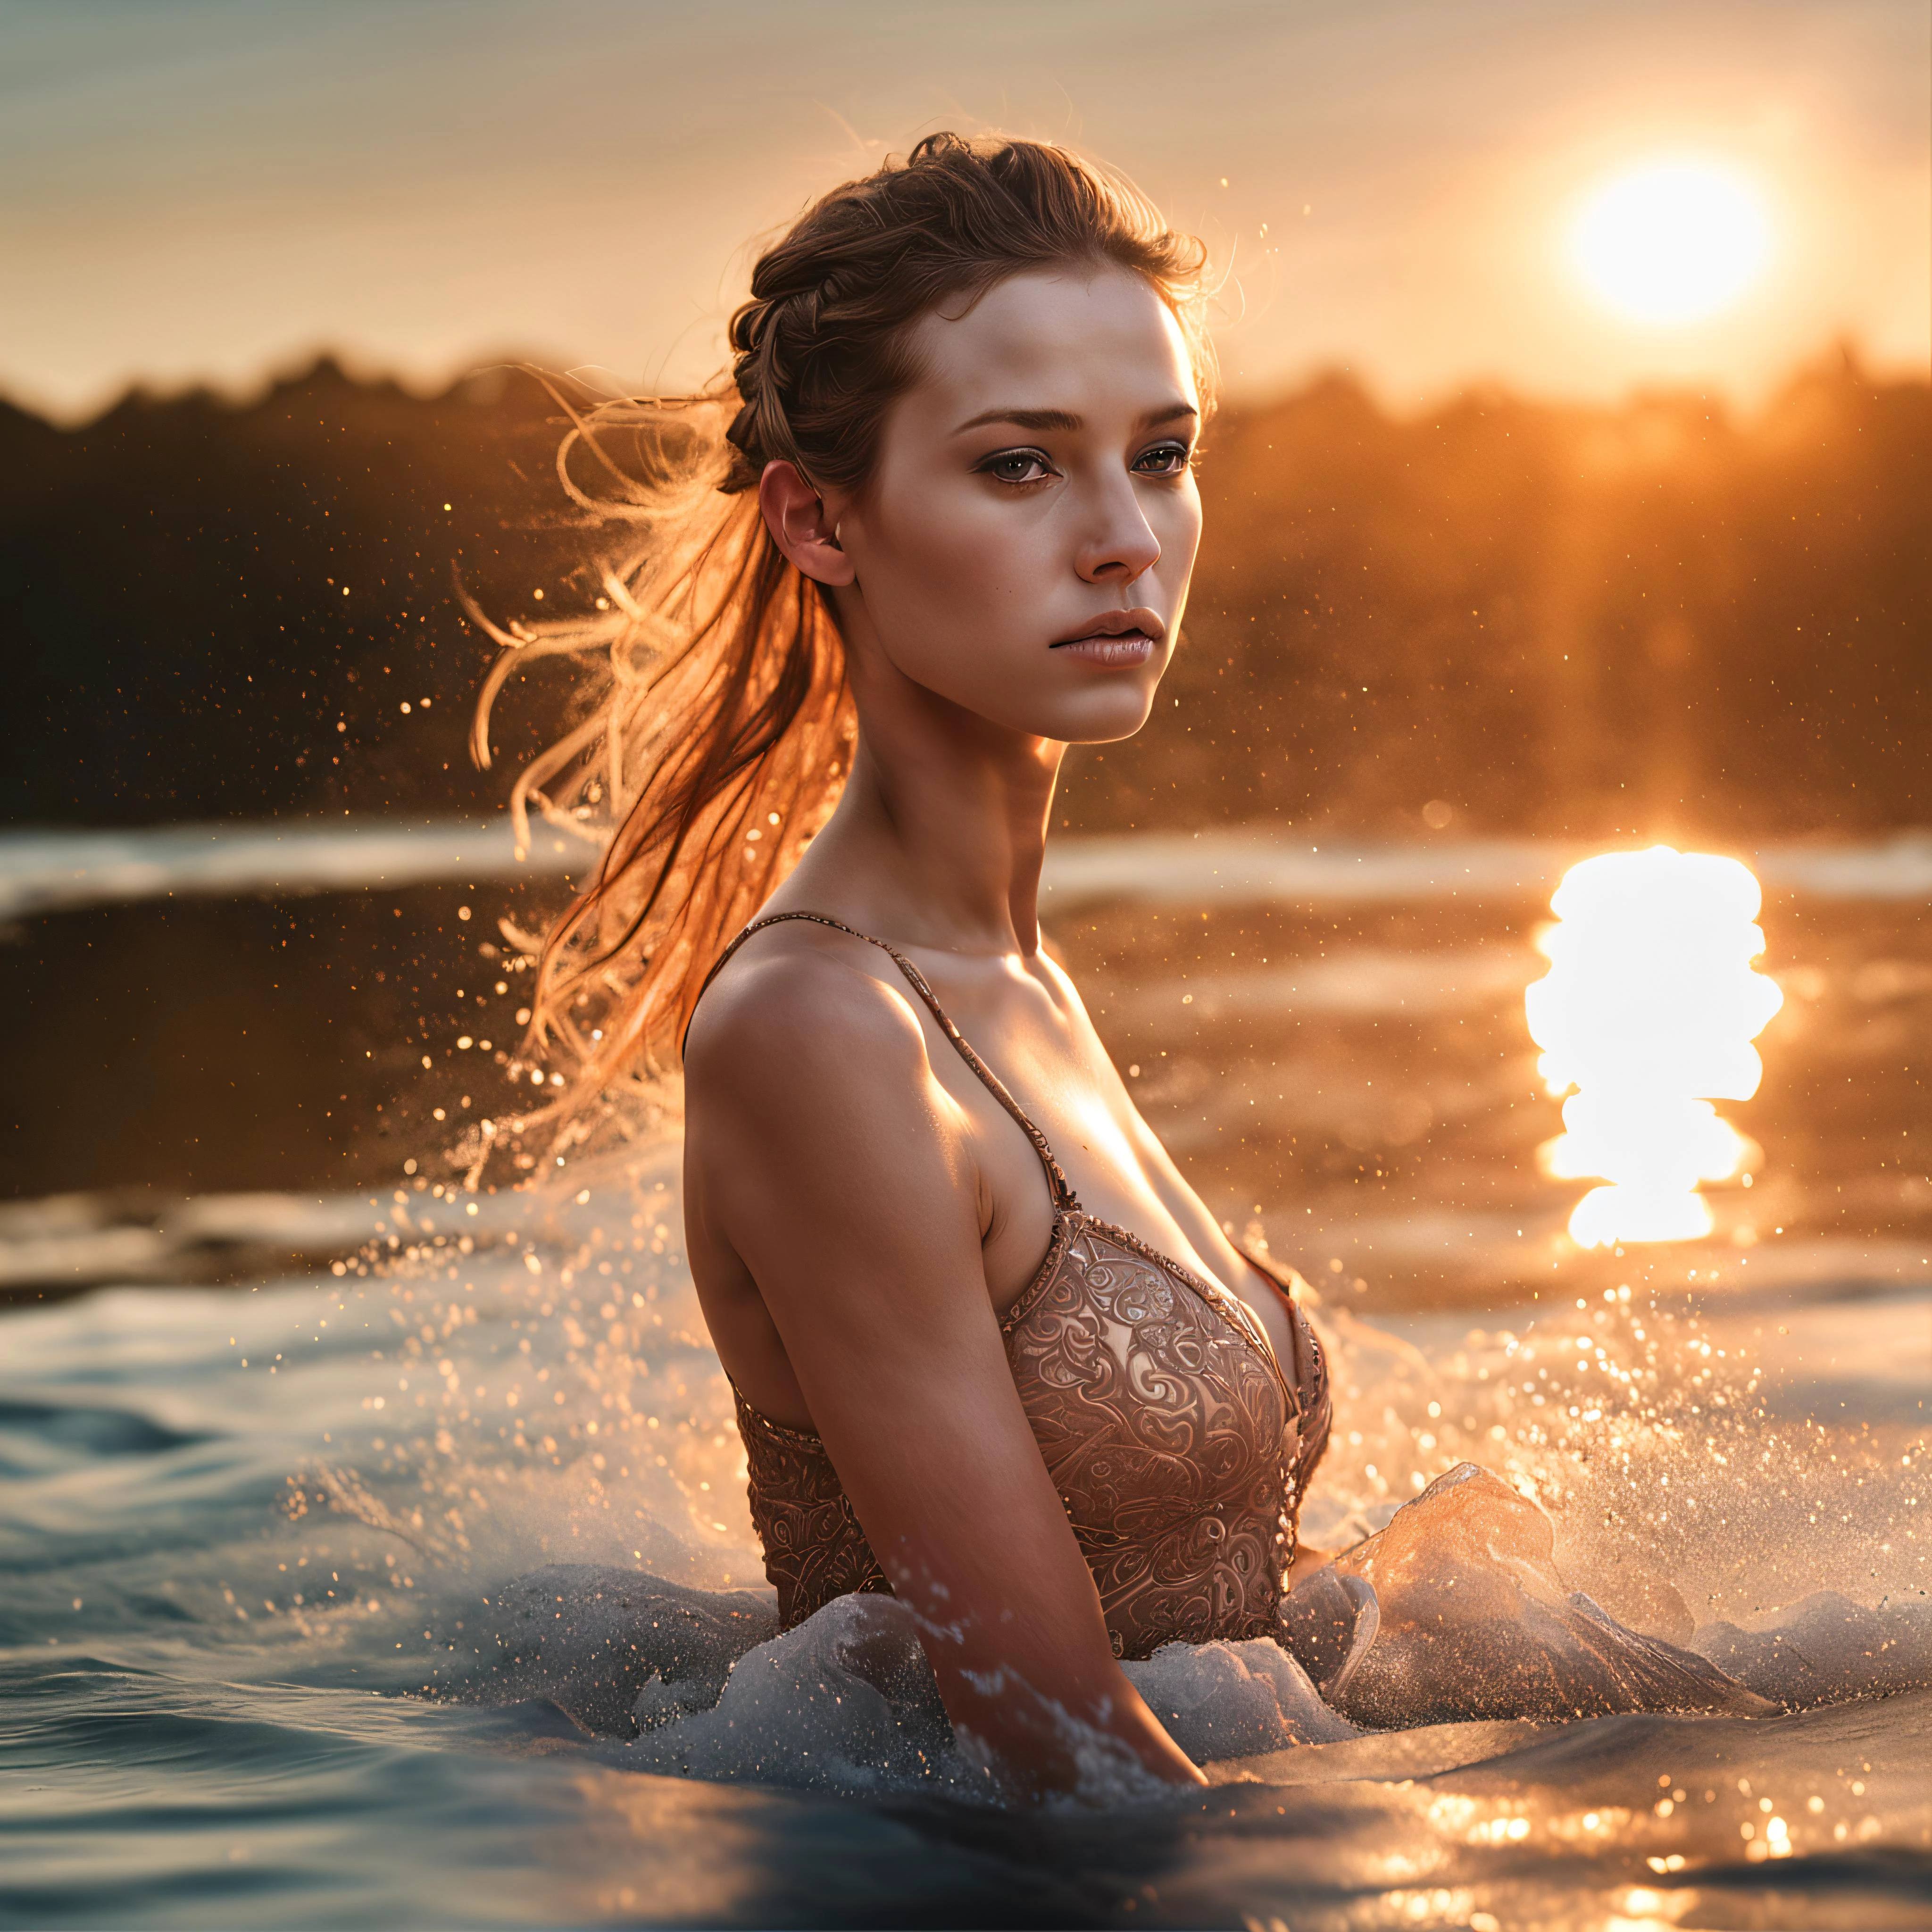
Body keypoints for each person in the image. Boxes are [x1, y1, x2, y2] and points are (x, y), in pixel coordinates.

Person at [475, 132, 1756, 1798]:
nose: (1122, 540)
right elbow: (1066, 1756)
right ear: (820, 519)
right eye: (1021, 466)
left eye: (1162, 456)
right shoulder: (826, 1026)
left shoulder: (1015, 987)